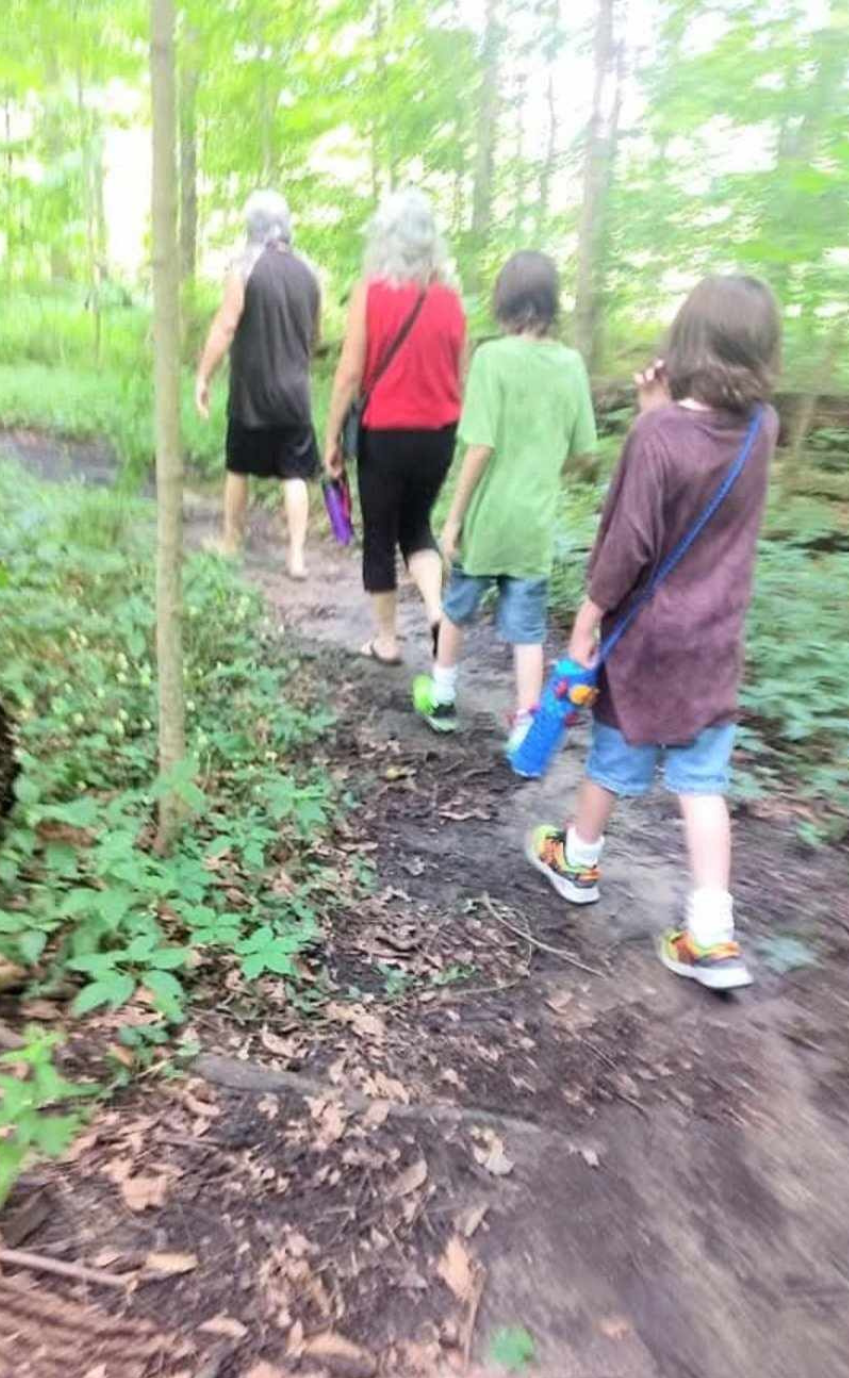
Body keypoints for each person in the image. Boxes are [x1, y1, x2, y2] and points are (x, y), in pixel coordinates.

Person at [526, 274, 782, 991]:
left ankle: (577, 859)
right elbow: (707, 448)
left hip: (648, 642)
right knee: (704, 783)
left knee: (614, 755)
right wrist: (660, 415)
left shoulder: (657, 434)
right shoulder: (765, 427)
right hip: (714, 642)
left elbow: (629, 544)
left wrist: (586, 619)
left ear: (684, 341)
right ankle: (712, 936)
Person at [412, 251, 598, 742]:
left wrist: (453, 519)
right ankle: (524, 726)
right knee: (529, 630)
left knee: (457, 607)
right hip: (535, 521)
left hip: (489, 517)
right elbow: (584, 454)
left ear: (505, 301)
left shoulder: (492, 357)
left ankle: (443, 694)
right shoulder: (571, 364)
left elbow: (480, 446)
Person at [324, 189, 466, 663]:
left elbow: (348, 373)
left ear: (382, 239)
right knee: (417, 526)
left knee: (381, 534)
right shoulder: (451, 300)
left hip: (385, 433)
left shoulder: (370, 294)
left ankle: (386, 640)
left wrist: (331, 439)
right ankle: (434, 609)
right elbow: (459, 374)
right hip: (439, 434)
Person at [195, 190, 320, 580]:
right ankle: (297, 557)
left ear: (252, 225)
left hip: (252, 392)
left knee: (239, 466)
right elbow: (313, 336)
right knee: (295, 473)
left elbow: (226, 325)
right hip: (295, 391)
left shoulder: (243, 268)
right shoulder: (310, 272)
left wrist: (203, 375)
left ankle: (232, 541)